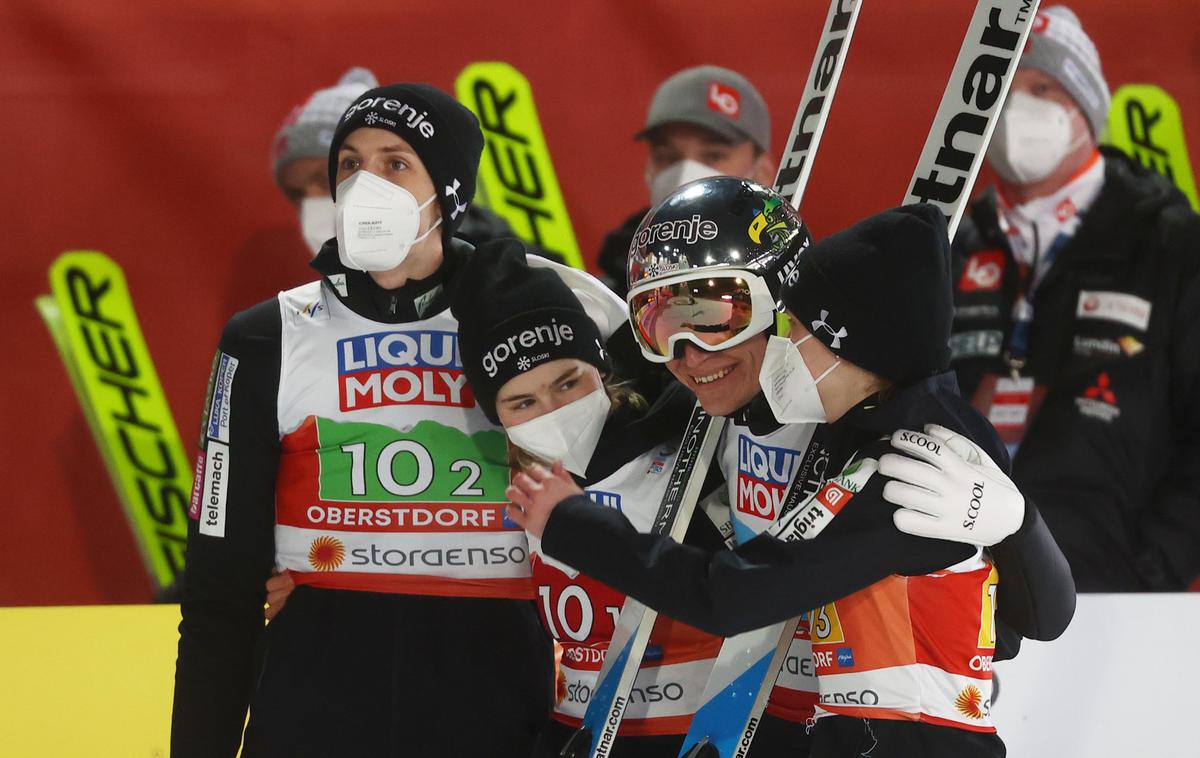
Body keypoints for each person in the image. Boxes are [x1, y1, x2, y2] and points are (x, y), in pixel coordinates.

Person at [509, 182, 1077, 756]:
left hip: (877, 727)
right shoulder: (714, 405)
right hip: (789, 714)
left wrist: (1018, 526)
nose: (689, 355)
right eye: (659, 325)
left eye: (714, 317)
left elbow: (1013, 625)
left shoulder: (892, 444)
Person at [172, 82, 553, 757]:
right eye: (349, 164)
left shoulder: (539, 320)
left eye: (395, 163)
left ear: (451, 191)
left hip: (497, 718)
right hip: (313, 723)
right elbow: (218, 599)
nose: (364, 184)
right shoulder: (267, 336)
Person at [950, 5, 1200, 591]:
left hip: (1111, 603)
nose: (1017, 109)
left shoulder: (1172, 244)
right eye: (1005, 89)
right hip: (950, 593)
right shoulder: (948, 242)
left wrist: (1149, 573)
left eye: (1041, 87)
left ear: (1086, 107)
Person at [596, 65, 776, 297]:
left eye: (713, 156)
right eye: (668, 158)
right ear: (649, 169)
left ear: (763, 172)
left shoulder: (799, 302)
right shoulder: (604, 305)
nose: (685, 175)